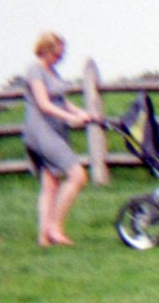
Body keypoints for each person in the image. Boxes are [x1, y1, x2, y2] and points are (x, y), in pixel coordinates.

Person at [22, 31, 100, 247]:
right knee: (78, 176)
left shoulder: (53, 72)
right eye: (58, 52)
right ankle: (55, 227)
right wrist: (70, 118)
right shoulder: (35, 70)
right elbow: (44, 104)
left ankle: (44, 237)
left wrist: (82, 113)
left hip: (56, 130)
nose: (61, 56)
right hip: (41, 130)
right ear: (46, 50)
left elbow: (61, 101)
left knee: (50, 183)